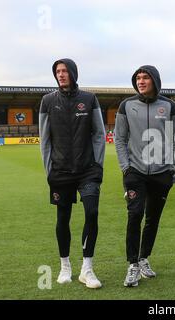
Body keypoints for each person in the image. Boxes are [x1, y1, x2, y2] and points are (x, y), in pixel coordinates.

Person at [39, 58, 106, 289]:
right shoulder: (48, 101)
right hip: (60, 172)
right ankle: (65, 266)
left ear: (74, 73)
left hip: (87, 170)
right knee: (62, 218)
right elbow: (45, 139)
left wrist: (97, 165)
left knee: (92, 212)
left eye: (65, 71)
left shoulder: (89, 99)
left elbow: (99, 133)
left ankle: (87, 269)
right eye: (57, 71)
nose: (61, 74)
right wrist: (49, 170)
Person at [115, 65, 175, 287]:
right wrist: (126, 168)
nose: (141, 81)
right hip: (135, 172)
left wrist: (172, 168)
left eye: (145, 78)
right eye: (138, 78)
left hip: (162, 173)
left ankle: (144, 258)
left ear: (155, 80)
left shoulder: (169, 106)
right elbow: (120, 139)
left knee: (153, 218)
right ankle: (132, 264)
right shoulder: (127, 105)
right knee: (135, 215)